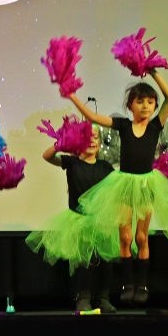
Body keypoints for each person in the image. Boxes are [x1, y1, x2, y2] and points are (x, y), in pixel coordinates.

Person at [66, 69, 168, 305]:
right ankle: (128, 283)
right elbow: (93, 117)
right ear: (130, 105)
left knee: (141, 237)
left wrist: (153, 72)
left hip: (146, 185)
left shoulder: (155, 126)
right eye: (140, 101)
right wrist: (72, 96)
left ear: (155, 106)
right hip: (123, 184)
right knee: (125, 237)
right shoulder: (123, 125)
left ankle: (142, 284)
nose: (145, 106)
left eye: (150, 102)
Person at [26, 125, 116, 313]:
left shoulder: (105, 167)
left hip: (101, 221)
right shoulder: (72, 162)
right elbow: (47, 156)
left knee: (106, 260)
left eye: (95, 137)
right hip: (79, 220)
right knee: (84, 260)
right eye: (86, 137)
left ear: (100, 142)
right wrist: (62, 143)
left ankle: (103, 298)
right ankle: (83, 297)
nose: (91, 140)